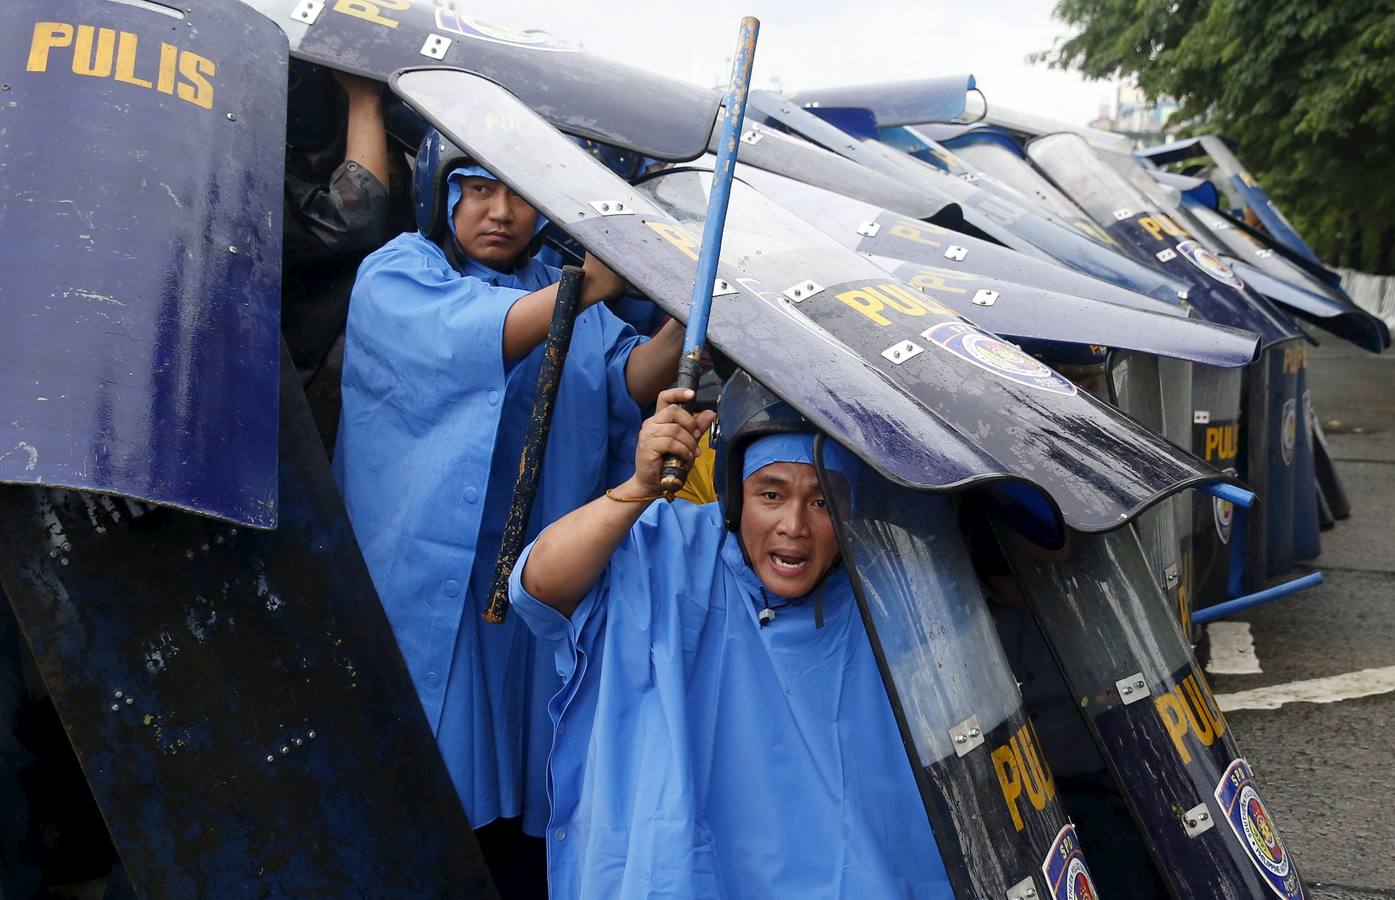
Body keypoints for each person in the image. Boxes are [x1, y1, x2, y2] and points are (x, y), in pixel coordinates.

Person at [333, 129, 683, 861]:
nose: (500, 211)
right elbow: (466, 340)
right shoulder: (397, 271)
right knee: (429, 798)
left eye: (520, 193)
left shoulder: (554, 283)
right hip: (431, 591)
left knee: (526, 799)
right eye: (479, 188)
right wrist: (590, 283)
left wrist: (689, 314)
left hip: (529, 589)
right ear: (439, 191)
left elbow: (626, 383)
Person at [508, 373, 954, 898]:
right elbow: (537, 588)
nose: (794, 525)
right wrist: (637, 490)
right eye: (771, 493)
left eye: (821, 501)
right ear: (733, 498)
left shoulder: (889, 591)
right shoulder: (669, 547)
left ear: (851, 508)